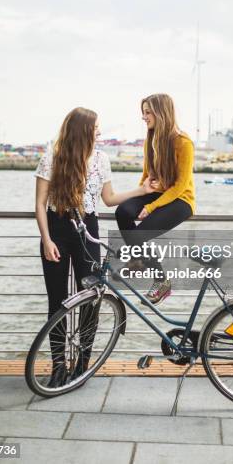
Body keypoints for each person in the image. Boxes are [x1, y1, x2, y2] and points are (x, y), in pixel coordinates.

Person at [35, 106, 154, 387]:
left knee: (90, 298)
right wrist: (47, 239)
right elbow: (40, 203)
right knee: (57, 302)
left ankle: (83, 365)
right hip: (56, 229)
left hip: (87, 230)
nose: (100, 131)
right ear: (82, 129)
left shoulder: (101, 159)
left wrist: (143, 191)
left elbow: (109, 199)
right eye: (96, 127)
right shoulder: (52, 157)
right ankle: (58, 367)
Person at [115, 93, 195, 305]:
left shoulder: (183, 143)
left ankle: (161, 281)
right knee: (122, 211)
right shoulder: (150, 139)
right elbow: (146, 175)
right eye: (143, 112)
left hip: (181, 200)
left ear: (162, 113)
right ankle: (137, 260)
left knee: (140, 235)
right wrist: (140, 193)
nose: (144, 116)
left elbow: (180, 186)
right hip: (155, 193)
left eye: (148, 112)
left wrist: (151, 207)